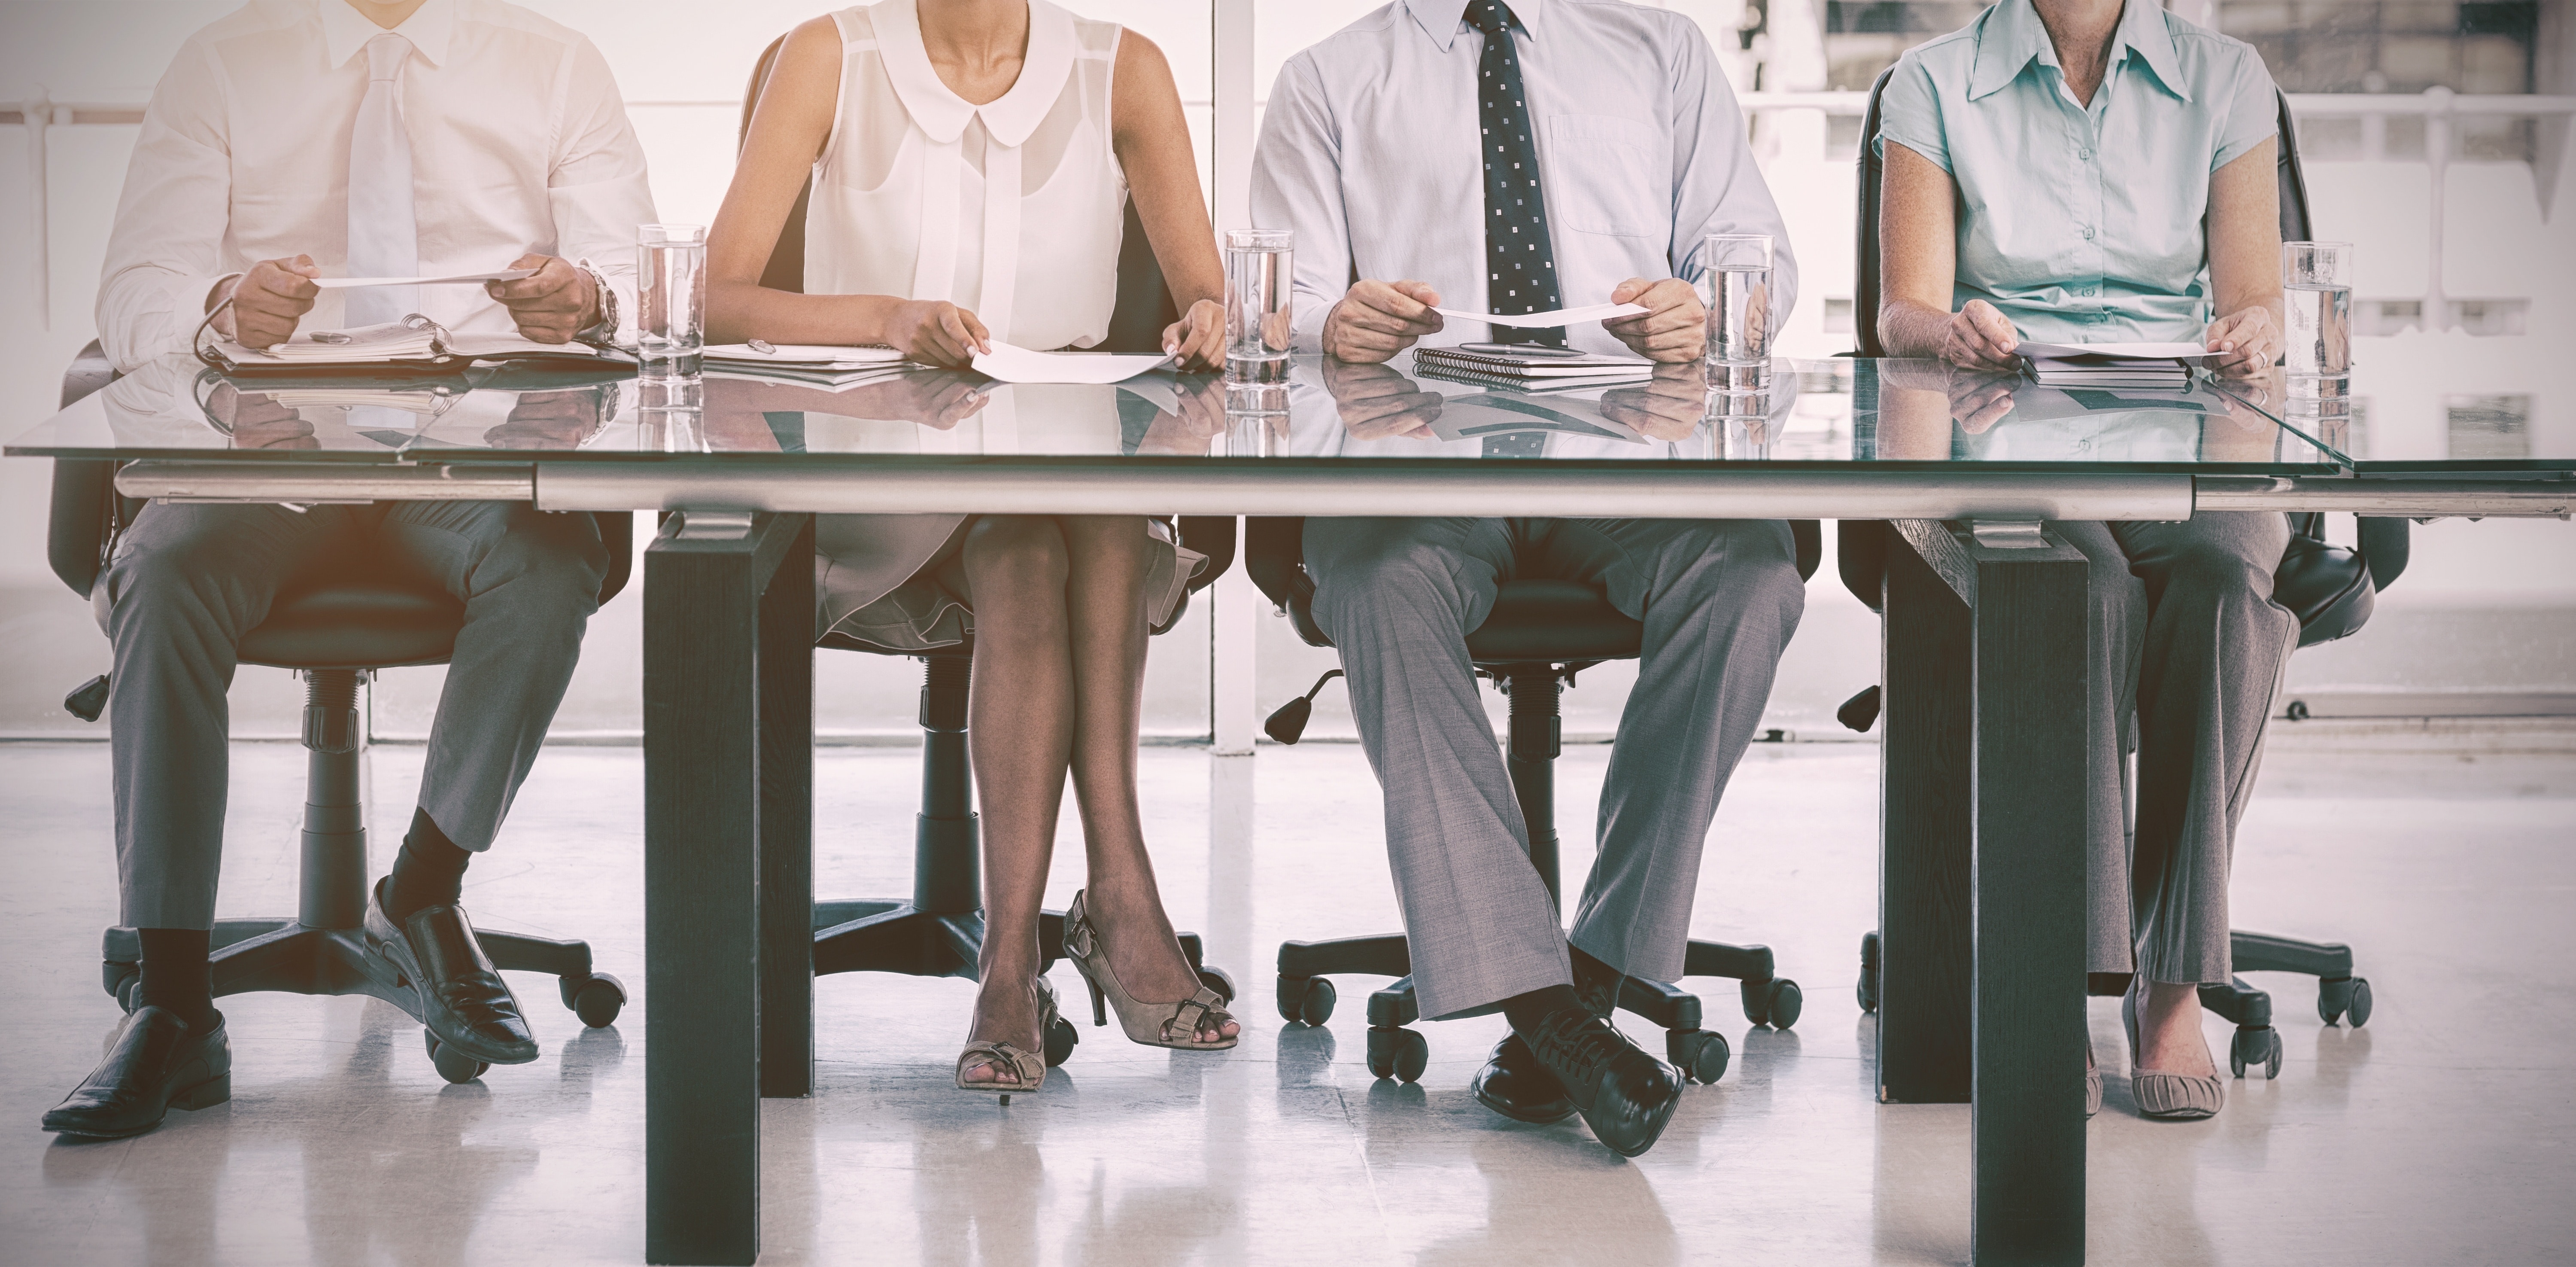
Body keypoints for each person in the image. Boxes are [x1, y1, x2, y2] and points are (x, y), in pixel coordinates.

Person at [45, 0, 654, 1140]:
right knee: (165, 563)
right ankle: (173, 1002)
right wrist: (219, 309)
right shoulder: (223, 60)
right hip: (272, 461)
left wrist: (589, 297)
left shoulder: (557, 66)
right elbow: (130, 300)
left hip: (468, 469)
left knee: (550, 556)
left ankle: (420, 890)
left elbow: (628, 283)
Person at [1251, 0, 1804, 1157]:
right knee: (1378, 575)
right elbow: (1280, 298)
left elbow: (1754, 253)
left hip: (1628, 454)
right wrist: (1333, 323)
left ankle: (1587, 973)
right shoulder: (1329, 77)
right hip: (1423, 457)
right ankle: (1553, 1013)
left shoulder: (1660, 48)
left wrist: (1697, 305)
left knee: (1754, 571)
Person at [705, 0, 1239, 1098]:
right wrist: (889, 318)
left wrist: (1205, 321)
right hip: (873, 466)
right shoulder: (828, 55)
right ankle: (1108, 911)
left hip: (1062, 471)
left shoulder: (1123, 68)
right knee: (1046, 531)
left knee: (1051, 530)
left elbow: (1207, 293)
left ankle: (1016, 964)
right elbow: (719, 298)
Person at [1874, 0, 2296, 1120]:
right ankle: (2054, 979)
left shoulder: (2226, 78)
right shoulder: (1933, 82)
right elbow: (1898, 313)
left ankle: (2172, 983)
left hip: (2185, 424)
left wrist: (2256, 327)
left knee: (2224, 588)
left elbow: (2257, 296)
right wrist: (1950, 329)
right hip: (2006, 418)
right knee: (2081, 590)